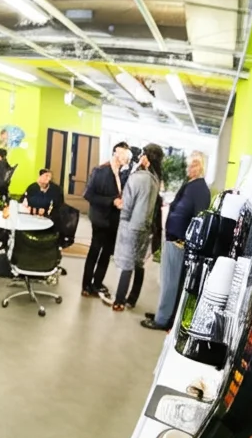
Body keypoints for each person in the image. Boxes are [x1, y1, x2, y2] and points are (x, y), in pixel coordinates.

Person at [142, 152, 211, 331]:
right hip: (173, 239)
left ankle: (162, 320)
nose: (189, 168)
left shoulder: (200, 189)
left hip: (180, 243)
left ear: (201, 167)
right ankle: (162, 313)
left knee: (170, 283)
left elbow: (199, 220)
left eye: (193, 165)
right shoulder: (190, 184)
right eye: (189, 164)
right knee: (166, 281)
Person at [106, 144, 163, 312]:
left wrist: (123, 217)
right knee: (138, 263)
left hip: (131, 226)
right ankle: (132, 299)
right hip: (145, 226)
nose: (140, 158)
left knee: (126, 264)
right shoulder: (155, 178)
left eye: (142, 155)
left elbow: (128, 204)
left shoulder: (138, 177)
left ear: (146, 158)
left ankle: (119, 301)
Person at [82, 142, 130, 298]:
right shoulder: (100, 171)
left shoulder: (121, 174)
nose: (125, 157)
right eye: (123, 154)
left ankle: (97, 284)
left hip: (114, 221)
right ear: (116, 153)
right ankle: (86, 285)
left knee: (106, 254)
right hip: (100, 219)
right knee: (94, 252)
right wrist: (112, 201)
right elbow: (88, 195)